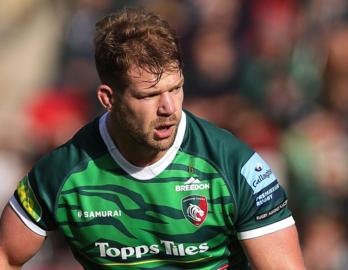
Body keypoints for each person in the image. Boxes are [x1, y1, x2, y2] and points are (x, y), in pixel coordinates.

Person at [0, 8, 305, 270]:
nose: (169, 108)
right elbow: (7, 256)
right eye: (149, 95)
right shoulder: (63, 172)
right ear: (108, 98)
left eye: (175, 88)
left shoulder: (233, 166)